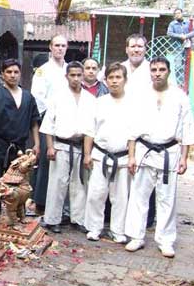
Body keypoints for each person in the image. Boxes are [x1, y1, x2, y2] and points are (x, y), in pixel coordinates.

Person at [124, 57, 194, 258]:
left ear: (169, 72)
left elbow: (186, 128)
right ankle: (136, 237)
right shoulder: (141, 95)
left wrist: (184, 158)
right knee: (138, 196)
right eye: (154, 69)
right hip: (143, 150)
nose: (157, 73)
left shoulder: (179, 96)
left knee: (167, 199)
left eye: (162, 69)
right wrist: (131, 156)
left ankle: (166, 240)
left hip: (169, 152)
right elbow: (132, 128)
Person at [40, 61, 95, 233]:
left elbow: (90, 129)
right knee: (58, 183)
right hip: (61, 146)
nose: (76, 78)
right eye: (73, 75)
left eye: (79, 75)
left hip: (80, 146)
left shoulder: (90, 99)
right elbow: (49, 124)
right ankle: (52, 219)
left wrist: (87, 154)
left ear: (83, 75)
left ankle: (78, 218)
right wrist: (50, 147)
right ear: (66, 76)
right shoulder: (58, 97)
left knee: (79, 184)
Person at [83, 62, 130, 243]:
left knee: (120, 197)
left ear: (125, 80)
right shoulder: (99, 103)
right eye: (111, 77)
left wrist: (133, 156)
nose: (114, 81)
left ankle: (118, 230)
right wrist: (87, 154)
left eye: (118, 77)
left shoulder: (132, 103)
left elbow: (134, 134)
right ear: (106, 80)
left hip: (123, 156)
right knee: (96, 194)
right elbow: (89, 131)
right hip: (100, 154)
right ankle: (94, 227)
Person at [0, 58, 40, 180]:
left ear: (20, 74)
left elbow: (34, 122)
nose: (13, 75)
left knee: (16, 187)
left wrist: (37, 144)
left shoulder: (28, 97)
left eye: (16, 72)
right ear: (3, 74)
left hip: (19, 149)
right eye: (9, 72)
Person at [30, 35, 69, 216]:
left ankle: (62, 205)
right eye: (56, 45)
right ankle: (41, 202)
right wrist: (53, 112)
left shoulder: (71, 69)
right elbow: (38, 97)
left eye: (63, 46)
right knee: (47, 159)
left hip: (69, 120)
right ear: (50, 47)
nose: (60, 49)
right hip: (49, 119)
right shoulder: (43, 71)